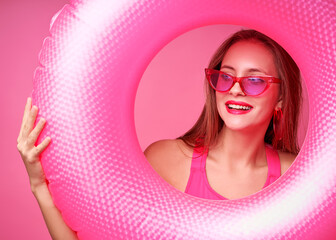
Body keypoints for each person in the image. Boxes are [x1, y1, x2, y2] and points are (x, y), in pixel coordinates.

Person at [17, 29, 302, 238]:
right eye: (225, 76)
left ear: (280, 98)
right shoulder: (167, 160)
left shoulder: (298, 176)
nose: (236, 88)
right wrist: (39, 186)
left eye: (254, 80)